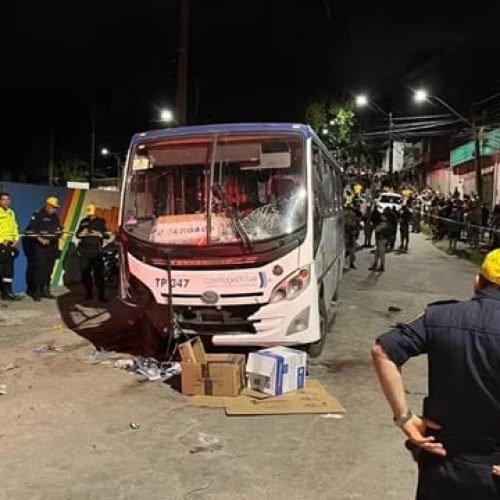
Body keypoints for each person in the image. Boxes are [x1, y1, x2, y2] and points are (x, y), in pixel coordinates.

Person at [371, 249, 500, 499]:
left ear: (478, 282)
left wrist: (404, 418)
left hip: (442, 460)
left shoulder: (440, 316)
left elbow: (382, 351)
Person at [25, 196, 62, 301]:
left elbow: (58, 230)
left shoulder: (55, 217)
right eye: (53, 207)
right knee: (38, 269)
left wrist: (60, 233)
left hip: (52, 247)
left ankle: (45, 290)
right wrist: (40, 238)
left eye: (56, 207)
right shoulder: (38, 215)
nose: (54, 209)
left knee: (48, 269)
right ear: (48, 205)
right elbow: (30, 231)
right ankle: (35, 292)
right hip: (40, 248)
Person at [76, 203, 110, 302]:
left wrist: (100, 234)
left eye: (92, 213)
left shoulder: (101, 221)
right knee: (85, 274)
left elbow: (106, 235)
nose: (90, 215)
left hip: (96, 251)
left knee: (98, 274)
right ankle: (89, 293)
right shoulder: (83, 221)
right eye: (89, 213)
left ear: (95, 211)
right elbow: (78, 234)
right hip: (84, 251)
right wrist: (82, 233)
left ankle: (101, 295)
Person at [0, 192, 22, 300]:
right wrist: (1, 240)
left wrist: (16, 240)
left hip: (10, 245)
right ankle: (4, 292)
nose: (6, 202)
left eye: (7, 199)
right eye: (3, 199)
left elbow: (15, 228)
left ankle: (8, 292)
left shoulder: (11, 213)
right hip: (1, 245)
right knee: (2, 269)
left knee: (9, 270)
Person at [344, 205, 360, 270]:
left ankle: (351, 263)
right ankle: (350, 263)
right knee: (348, 251)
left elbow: (354, 226)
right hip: (348, 236)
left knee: (351, 251)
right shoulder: (347, 218)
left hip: (351, 236)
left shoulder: (352, 217)